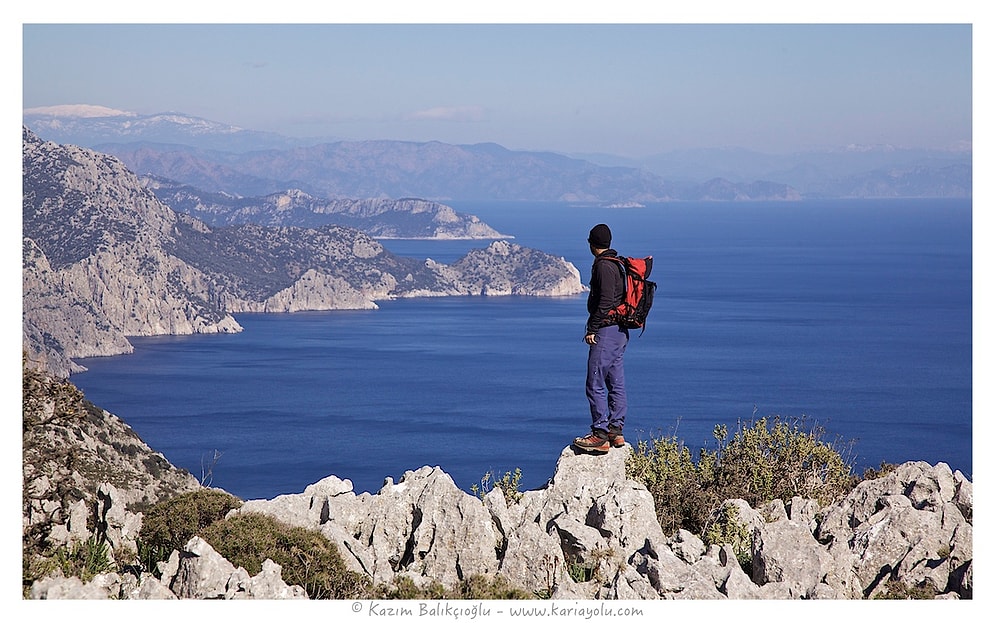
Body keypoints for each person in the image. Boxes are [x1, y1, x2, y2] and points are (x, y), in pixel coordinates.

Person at [574, 223, 629, 454]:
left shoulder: (604, 266)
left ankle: (600, 434)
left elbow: (605, 302)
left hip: (606, 331)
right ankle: (616, 430)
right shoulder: (618, 264)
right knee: (615, 380)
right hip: (619, 332)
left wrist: (592, 328)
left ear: (591, 243)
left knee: (594, 381)